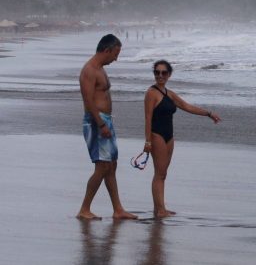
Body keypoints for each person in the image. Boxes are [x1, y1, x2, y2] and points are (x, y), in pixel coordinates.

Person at [143, 60, 221, 218]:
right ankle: (160, 210)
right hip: (157, 135)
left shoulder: (169, 93)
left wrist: (208, 113)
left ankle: (159, 208)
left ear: (169, 75)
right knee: (159, 173)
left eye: (164, 73)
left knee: (163, 173)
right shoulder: (151, 93)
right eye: (157, 72)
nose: (160, 75)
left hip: (169, 137)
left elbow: (187, 107)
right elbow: (148, 118)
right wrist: (148, 141)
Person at [77, 34, 137, 220]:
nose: (116, 58)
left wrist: (106, 121)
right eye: (116, 53)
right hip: (96, 122)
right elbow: (88, 100)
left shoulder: (100, 69)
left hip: (105, 120)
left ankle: (118, 209)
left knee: (111, 165)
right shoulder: (89, 70)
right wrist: (101, 123)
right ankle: (84, 209)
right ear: (106, 50)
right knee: (102, 166)